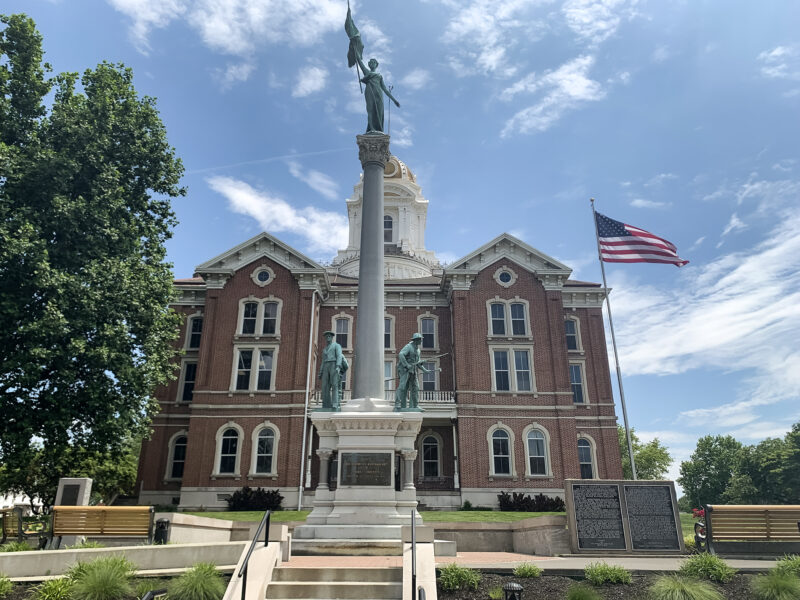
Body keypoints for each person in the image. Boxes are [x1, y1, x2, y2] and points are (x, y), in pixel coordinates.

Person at [356, 56, 400, 134]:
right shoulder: (367, 72)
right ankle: (371, 128)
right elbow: (360, 63)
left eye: (374, 62)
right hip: (370, 91)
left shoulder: (379, 76)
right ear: (369, 64)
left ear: (376, 64)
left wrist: (394, 100)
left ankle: (378, 129)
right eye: (371, 62)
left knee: (379, 112)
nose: (372, 63)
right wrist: (356, 52)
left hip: (379, 93)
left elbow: (385, 89)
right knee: (370, 110)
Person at [395, 333, 430, 410]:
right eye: (420, 339)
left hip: (413, 371)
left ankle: (415, 405)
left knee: (416, 387)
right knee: (402, 386)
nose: (421, 341)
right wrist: (406, 365)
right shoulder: (408, 347)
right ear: (416, 340)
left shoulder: (418, 350)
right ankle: (397, 404)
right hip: (405, 370)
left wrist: (425, 370)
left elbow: (418, 363)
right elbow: (401, 354)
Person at [319, 331, 343, 410]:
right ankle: (326, 404)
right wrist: (321, 371)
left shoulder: (336, 346)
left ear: (332, 337)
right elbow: (323, 360)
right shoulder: (324, 349)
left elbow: (339, 355)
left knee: (334, 385)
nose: (328, 337)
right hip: (326, 365)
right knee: (325, 386)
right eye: (326, 336)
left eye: (329, 336)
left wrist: (338, 366)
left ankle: (335, 404)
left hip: (333, 364)